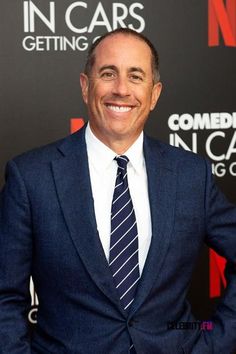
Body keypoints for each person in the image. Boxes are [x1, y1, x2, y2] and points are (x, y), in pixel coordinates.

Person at [0, 28, 236, 354]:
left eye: (135, 76)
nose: (121, 89)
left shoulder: (191, 175)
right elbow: (4, 296)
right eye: (108, 74)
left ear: (154, 94)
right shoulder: (30, 177)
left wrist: (215, 342)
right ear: (85, 86)